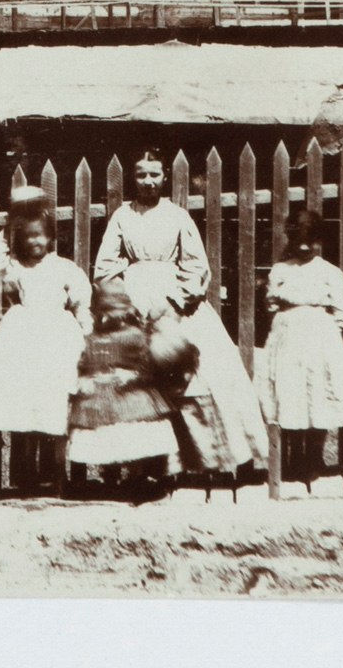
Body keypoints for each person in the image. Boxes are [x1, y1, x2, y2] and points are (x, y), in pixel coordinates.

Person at [92, 149, 269, 474]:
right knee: (138, 383)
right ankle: (151, 466)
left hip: (177, 303)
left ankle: (215, 460)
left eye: (154, 174)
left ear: (164, 177)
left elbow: (196, 266)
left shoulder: (177, 216)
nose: (148, 181)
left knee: (201, 374)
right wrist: (126, 301)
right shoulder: (122, 216)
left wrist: (174, 302)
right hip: (135, 301)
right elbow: (104, 268)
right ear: (134, 177)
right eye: (141, 175)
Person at [0, 194, 91, 491]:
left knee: (55, 399)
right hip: (24, 338)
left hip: (57, 338)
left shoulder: (64, 267)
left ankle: (57, 473)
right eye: (27, 236)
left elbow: (81, 301)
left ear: (51, 237)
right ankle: (24, 473)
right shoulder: (15, 267)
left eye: (39, 235)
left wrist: (86, 332)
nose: (34, 241)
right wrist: (10, 225)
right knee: (26, 399)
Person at [256, 210, 343, 484]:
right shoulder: (281, 270)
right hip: (287, 339)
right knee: (289, 392)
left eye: (310, 241)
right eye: (298, 241)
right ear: (290, 239)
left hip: (319, 340)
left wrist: (331, 332)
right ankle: (291, 457)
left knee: (317, 393)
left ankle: (314, 457)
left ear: (319, 241)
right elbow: (271, 303)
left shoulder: (329, 272)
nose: (304, 247)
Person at [67, 280, 188, 499]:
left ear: (126, 311)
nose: (111, 318)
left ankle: (139, 475)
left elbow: (146, 365)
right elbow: (85, 364)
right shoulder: (93, 339)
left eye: (116, 312)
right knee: (103, 432)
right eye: (105, 313)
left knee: (135, 428)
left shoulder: (135, 336)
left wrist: (132, 375)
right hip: (100, 393)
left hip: (129, 390)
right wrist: (85, 378)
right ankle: (109, 475)